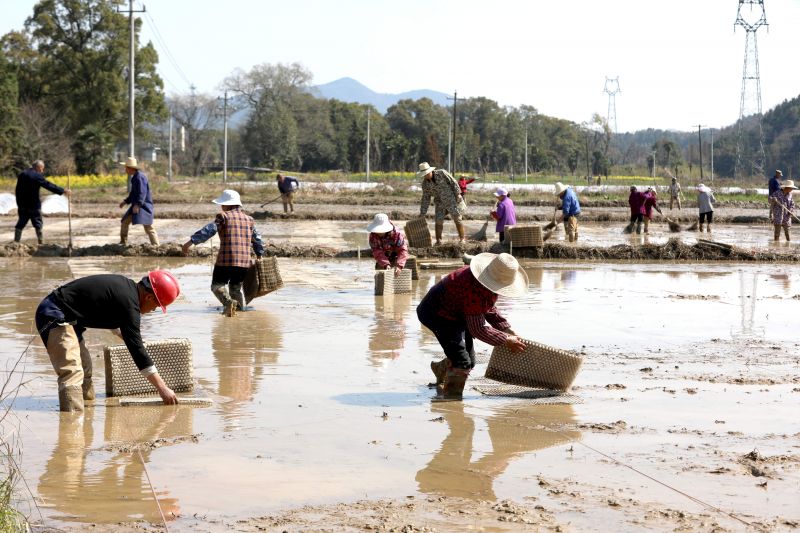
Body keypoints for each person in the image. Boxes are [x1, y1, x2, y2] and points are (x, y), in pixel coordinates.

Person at [34, 271, 181, 412]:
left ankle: (87, 415)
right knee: (72, 372)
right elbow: (137, 351)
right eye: (156, 306)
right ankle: (72, 427)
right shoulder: (129, 304)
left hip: (70, 319)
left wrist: (136, 342)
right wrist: (162, 388)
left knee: (85, 369)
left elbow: (115, 321)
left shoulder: (127, 291)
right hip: (54, 314)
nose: (153, 310)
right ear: (149, 297)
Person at [416, 253, 528, 401]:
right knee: (462, 362)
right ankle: (451, 401)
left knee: (470, 361)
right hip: (437, 314)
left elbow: (487, 307)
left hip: (458, 314)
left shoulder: (486, 284)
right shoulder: (472, 287)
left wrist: (506, 328)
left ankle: (440, 369)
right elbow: (478, 329)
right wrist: (506, 339)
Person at [182, 190, 264, 316]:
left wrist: (190, 242)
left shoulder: (223, 216)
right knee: (235, 288)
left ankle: (228, 303)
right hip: (243, 263)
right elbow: (257, 239)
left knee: (217, 286)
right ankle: (241, 312)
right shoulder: (249, 220)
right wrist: (259, 254)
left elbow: (209, 230)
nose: (221, 207)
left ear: (228, 205)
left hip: (226, 261)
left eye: (222, 204)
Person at [14, 160, 71, 244]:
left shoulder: (22, 174)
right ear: (38, 167)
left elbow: (17, 190)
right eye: (42, 169)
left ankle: (16, 242)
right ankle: (40, 242)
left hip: (22, 204)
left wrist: (19, 203)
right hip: (33, 204)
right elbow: (48, 185)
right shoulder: (37, 176)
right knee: (37, 223)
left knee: (21, 222)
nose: (42, 171)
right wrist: (63, 191)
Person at [417, 162, 467, 244]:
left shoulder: (441, 173)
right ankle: (438, 241)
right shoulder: (425, 184)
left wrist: (458, 194)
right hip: (439, 203)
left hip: (451, 200)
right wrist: (422, 213)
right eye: (424, 175)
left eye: (426, 174)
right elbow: (425, 199)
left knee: (457, 219)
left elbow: (453, 182)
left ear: (430, 171)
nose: (425, 176)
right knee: (438, 221)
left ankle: (462, 239)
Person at [119, 157, 159, 246]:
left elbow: (142, 192)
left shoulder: (140, 177)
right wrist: (126, 201)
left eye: (126, 168)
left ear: (130, 168)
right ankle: (123, 242)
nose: (125, 170)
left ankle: (156, 245)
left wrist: (138, 204)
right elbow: (133, 193)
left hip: (143, 206)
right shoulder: (135, 177)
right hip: (136, 205)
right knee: (124, 222)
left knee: (148, 227)